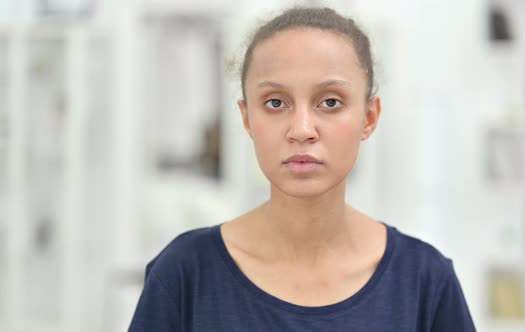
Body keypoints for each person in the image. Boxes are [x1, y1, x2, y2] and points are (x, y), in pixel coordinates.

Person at [129, 6, 476, 332]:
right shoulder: (185, 273)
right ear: (247, 118)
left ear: (368, 118)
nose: (302, 129)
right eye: (276, 103)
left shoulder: (425, 281)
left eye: (330, 102)